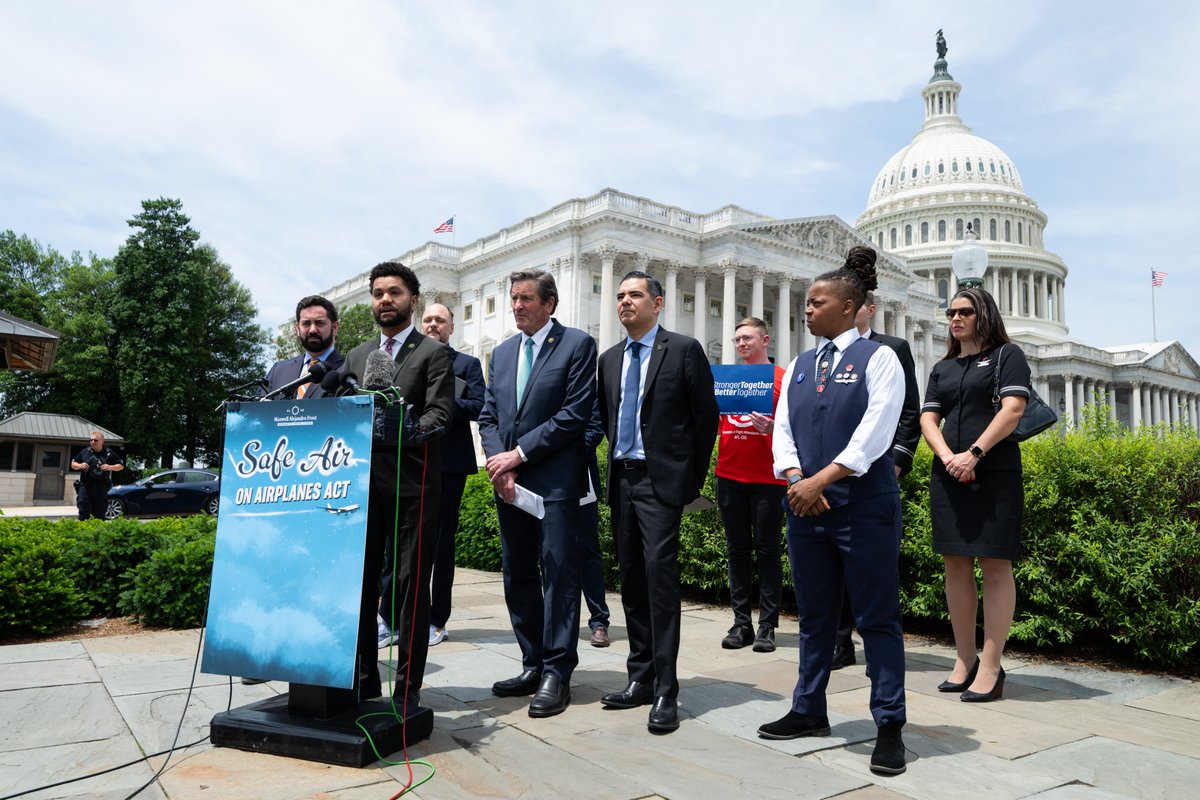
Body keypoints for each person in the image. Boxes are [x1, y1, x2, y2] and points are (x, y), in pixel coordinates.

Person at [758, 246, 908, 777]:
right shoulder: (799, 365)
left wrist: (824, 478)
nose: (806, 309)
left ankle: (888, 723)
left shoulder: (881, 358)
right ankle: (808, 708)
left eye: (816, 301)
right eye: (805, 301)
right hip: (806, 510)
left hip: (862, 509)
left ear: (848, 307)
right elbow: (783, 430)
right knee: (816, 617)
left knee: (876, 618)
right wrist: (798, 480)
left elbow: (877, 431)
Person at [597, 271, 718, 734]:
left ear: (658, 302)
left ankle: (667, 689)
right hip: (622, 482)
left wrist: (687, 483)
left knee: (660, 584)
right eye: (621, 295)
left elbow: (705, 420)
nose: (625, 302)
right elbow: (607, 418)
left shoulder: (683, 349)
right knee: (630, 583)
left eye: (635, 295)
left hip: (660, 485)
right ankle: (640, 679)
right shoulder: (609, 359)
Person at [478, 269, 597, 718]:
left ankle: (557, 673)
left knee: (560, 575)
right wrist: (498, 463)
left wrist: (518, 456)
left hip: (556, 484)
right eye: (513, 298)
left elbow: (573, 415)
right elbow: (488, 415)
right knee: (518, 575)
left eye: (526, 298)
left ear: (550, 303)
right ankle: (532, 661)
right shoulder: (503, 352)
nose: (517, 306)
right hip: (508, 484)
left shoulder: (577, 345)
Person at [342, 262, 454, 712]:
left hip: (414, 488)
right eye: (377, 293)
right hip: (361, 490)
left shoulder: (431, 353)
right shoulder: (356, 356)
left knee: (407, 590)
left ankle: (407, 690)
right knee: (362, 586)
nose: (384, 299)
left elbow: (440, 415)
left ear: (413, 299)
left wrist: (404, 430)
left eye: (394, 292)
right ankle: (365, 681)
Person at [920, 286, 1029, 703]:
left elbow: (1013, 409)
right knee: (955, 564)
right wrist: (949, 456)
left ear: (983, 314)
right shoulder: (943, 368)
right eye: (951, 312)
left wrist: (974, 454)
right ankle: (963, 659)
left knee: (995, 565)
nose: (955, 319)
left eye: (964, 312)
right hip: (949, 473)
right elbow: (930, 417)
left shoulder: (1007, 355)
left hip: (995, 471)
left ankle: (991, 663)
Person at [830, 291, 922, 669]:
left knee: (873, 565)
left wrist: (898, 461)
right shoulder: (825, 352)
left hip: (878, 469)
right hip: (833, 470)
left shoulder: (892, 348)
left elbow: (909, 408)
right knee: (834, 564)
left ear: (868, 309)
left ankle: (877, 646)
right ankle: (839, 641)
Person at [714, 317, 786, 654]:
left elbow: (793, 428)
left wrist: (772, 427)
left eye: (747, 338)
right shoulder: (728, 378)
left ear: (765, 340)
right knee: (737, 551)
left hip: (768, 479)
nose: (741, 344)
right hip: (729, 475)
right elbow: (715, 424)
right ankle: (740, 623)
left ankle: (767, 626)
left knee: (768, 552)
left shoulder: (781, 380)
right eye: (737, 339)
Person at [420, 302, 485, 647]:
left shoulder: (468, 364)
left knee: (442, 544)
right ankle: (395, 618)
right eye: (428, 319)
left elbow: (478, 405)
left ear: (451, 326)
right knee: (403, 545)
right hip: (411, 460)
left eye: (440, 320)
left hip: (450, 463)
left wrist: (441, 401)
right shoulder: (408, 360)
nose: (433, 324)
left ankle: (436, 620)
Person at [264, 295, 346, 399]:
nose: (312, 330)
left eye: (319, 323)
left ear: (334, 328)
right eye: (306, 323)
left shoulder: (347, 370)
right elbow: (256, 410)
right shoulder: (278, 371)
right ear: (298, 329)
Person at [580, 396, 612, 647]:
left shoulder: (586, 385)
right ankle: (552, 620)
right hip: (541, 478)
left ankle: (599, 621)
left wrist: (559, 448)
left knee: (588, 552)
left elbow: (595, 428)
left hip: (580, 477)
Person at [71, 431, 123, 520]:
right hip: (85, 487)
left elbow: (120, 466)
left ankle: (97, 533)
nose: (92, 442)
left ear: (102, 441)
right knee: (84, 512)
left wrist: (110, 467)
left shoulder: (108, 453)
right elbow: (73, 464)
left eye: (95, 440)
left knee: (99, 514)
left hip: (100, 488)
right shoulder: (84, 452)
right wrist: (80, 465)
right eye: (91, 440)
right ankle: (83, 532)